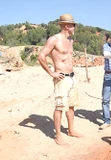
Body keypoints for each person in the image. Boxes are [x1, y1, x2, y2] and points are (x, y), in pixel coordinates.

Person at [38, 13, 82, 145]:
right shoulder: (54, 39)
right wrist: (51, 72)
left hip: (72, 78)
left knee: (72, 105)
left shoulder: (70, 41)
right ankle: (58, 135)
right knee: (59, 107)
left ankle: (71, 130)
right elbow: (41, 56)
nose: (74, 28)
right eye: (73, 25)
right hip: (61, 78)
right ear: (66, 25)